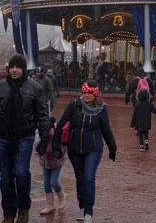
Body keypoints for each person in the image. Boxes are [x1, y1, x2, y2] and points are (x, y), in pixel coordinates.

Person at [0, 54, 49, 223]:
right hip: (3, 137)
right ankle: (8, 213)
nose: (14, 70)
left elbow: (42, 115)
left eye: (18, 67)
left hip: (24, 137)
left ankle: (24, 208)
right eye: (12, 67)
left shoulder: (34, 88)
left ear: (23, 69)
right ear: (8, 69)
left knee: (21, 172)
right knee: (6, 176)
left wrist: (44, 138)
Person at [52, 80, 116, 223]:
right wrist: (55, 144)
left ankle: (88, 211)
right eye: (84, 92)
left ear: (95, 94)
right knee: (80, 179)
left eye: (90, 93)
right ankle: (82, 206)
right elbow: (61, 124)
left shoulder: (102, 108)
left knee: (88, 177)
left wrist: (113, 148)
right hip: (74, 149)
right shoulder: (74, 105)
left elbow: (106, 130)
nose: (86, 95)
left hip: (93, 149)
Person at [38, 116, 67, 215]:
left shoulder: (58, 130)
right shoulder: (40, 130)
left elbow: (63, 146)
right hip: (45, 161)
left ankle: (62, 197)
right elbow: (37, 144)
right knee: (46, 183)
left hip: (56, 161)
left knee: (53, 181)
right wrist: (44, 137)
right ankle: (50, 205)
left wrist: (55, 138)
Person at [130, 85, 156, 151]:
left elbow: (134, 114)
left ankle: (141, 146)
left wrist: (132, 123)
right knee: (146, 132)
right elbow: (154, 110)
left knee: (140, 133)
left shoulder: (137, 104)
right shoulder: (149, 103)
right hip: (147, 120)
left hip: (139, 121)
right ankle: (146, 141)